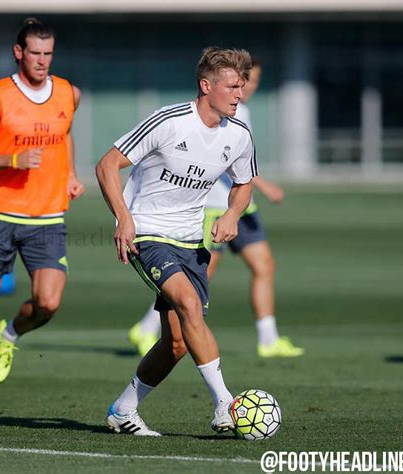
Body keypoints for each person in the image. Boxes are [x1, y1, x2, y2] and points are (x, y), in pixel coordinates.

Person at [96, 47, 256, 436]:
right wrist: (123, 218)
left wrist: (233, 213)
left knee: (177, 344)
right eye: (232, 86)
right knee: (188, 304)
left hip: (190, 240)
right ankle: (225, 405)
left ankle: (123, 409)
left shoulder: (239, 135)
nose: (239, 93)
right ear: (207, 86)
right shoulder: (169, 121)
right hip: (148, 233)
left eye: (242, 86)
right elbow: (107, 165)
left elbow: (244, 183)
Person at [129, 59, 304, 358]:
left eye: (251, 82)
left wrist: (246, 198)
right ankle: (147, 327)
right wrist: (266, 186)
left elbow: (240, 163)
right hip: (211, 209)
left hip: (239, 208)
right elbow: (217, 161)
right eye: (241, 82)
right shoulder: (203, 116)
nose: (246, 88)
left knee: (264, 266)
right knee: (193, 282)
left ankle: (268, 338)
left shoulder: (240, 113)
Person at [0, 18, 85, 410]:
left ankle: (10, 334)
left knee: (48, 304)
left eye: (48, 54)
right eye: (35, 53)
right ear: (19, 53)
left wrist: (71, 175)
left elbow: (64, 136)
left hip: (48, 217)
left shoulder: (69, 93)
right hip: (1, 214)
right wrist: (12, 159)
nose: (42, 61)